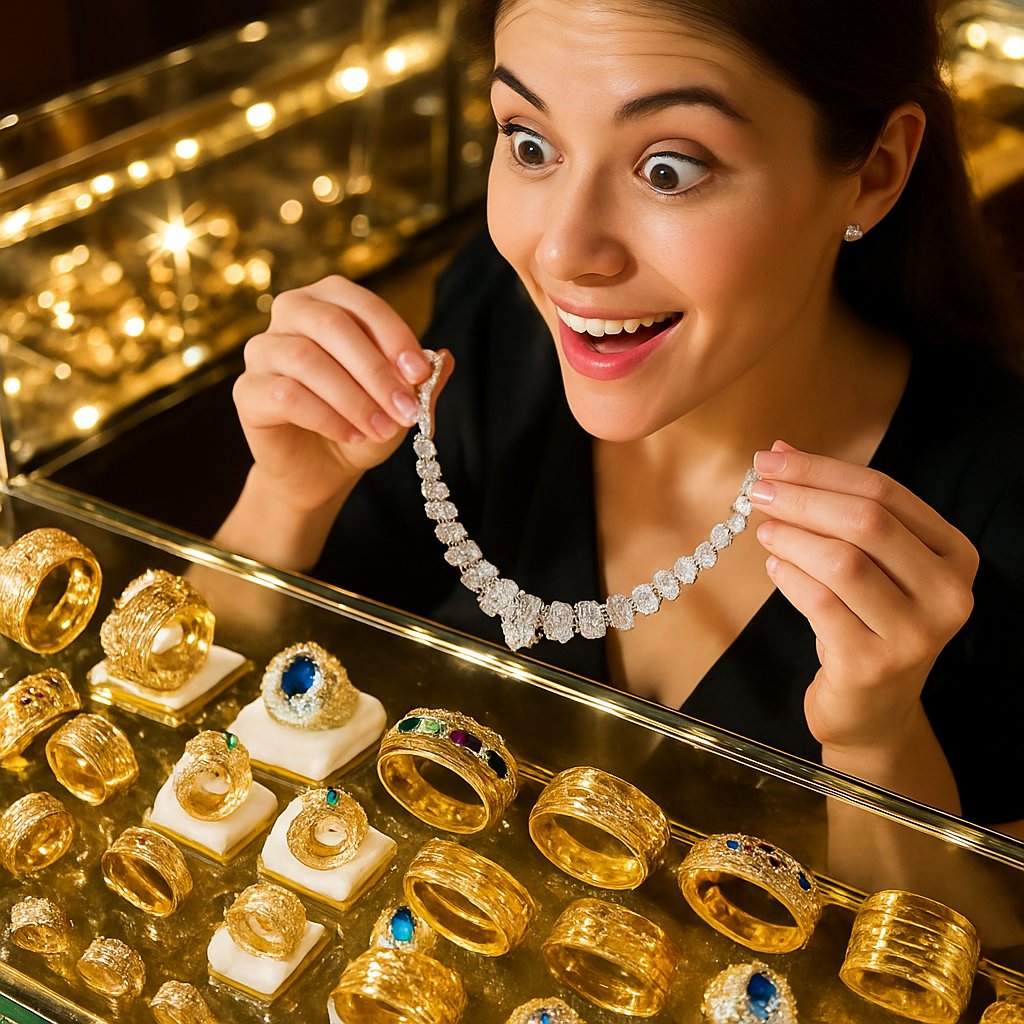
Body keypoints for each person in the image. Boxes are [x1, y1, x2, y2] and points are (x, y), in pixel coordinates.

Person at [216, 0, 1024, 833]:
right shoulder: (495, 332)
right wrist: (283, 501)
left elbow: (977, 949)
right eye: (531, 146)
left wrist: (878, 741)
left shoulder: (999, 501)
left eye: (669, 170)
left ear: (877, 170)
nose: (563, 251)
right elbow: (197, 719)